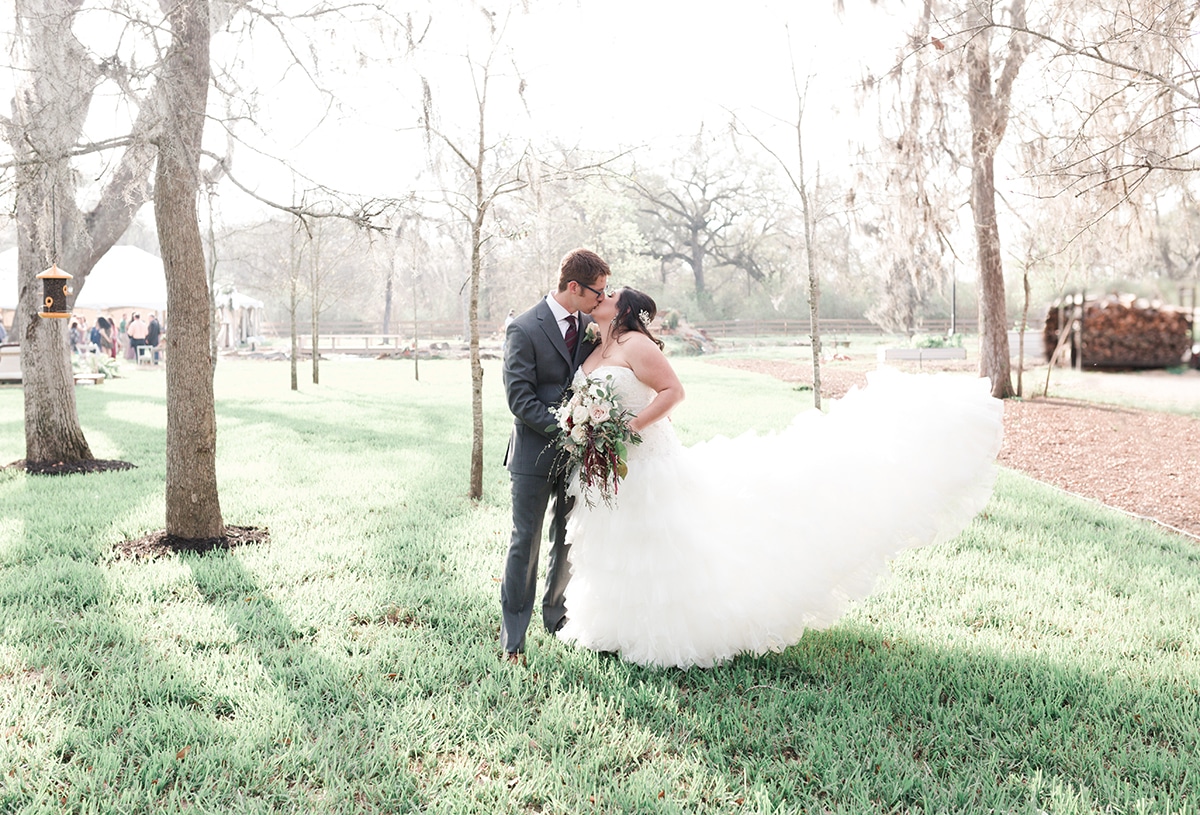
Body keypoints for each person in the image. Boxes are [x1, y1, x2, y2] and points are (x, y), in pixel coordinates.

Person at [555, 288, 1005, 669]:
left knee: (659, 546)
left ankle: (666, 633)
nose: (602, 296)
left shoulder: (636, 344)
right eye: (600, 290)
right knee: (621, 549)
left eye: (610, 294)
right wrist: (587, 430)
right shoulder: (595, 349)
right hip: (606, 468)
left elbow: (674, 392)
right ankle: (616, 628)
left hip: (648, 462)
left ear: (626, 311)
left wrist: (626, 430)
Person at [500, 248, 611, 665]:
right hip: (533, 454)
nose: (603, 299)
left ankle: (557, 617)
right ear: (573, 287)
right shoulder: (524, 329)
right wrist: (568, 429)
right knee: (524, 542)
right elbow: (520, 400)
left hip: (577, 458)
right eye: (597, 292)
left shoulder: (589, 326)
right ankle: (513, 636)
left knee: (567, 539)